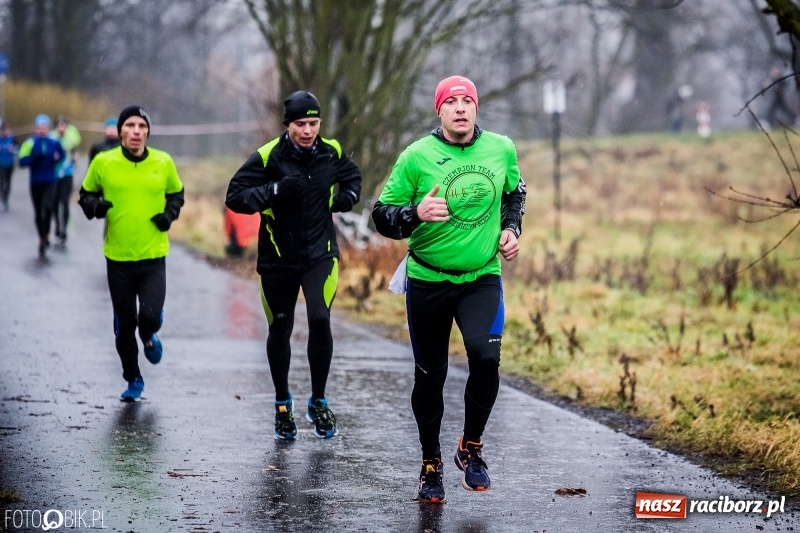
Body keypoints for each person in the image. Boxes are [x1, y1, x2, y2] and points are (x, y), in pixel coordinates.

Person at [371, 75, 526, 503]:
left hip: (481, 276)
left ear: (476, 108)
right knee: (430, 374)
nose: (460, 108)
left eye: (467, 101)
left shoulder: (501, 148)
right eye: (451, 102)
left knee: (486, 356)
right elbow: (381, 216)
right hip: (428, 281)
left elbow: (516, 192)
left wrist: (512, 229)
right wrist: (415, 212)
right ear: (439, 112)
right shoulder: (416, 156)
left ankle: (471, 447)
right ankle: (430, 464)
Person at [225, 90, 361, 440]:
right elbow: (235, 196)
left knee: (319, 318)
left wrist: (346, 197)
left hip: (320, 255)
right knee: (280, 330)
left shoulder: (331, 151)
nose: (307, 130)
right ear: (288, 125)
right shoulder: (268, 156)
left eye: (313, 123)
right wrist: (272, 191)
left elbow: (352, 177)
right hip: (277, 260)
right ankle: (283, 404)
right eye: (301, 124)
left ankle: (318, 400)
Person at [78, 105, 185, 402]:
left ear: (148, 132)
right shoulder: (103, 161)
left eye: (142, 126)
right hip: (118, 259)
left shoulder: (163, 162)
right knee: (124, 326)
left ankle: (150, 334)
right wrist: (95, 208)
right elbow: (86, 195)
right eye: (130, 126)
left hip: (153, 257)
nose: (136, 131)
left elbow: (177, 193)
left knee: (148, 317)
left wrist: (169, 215)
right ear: (121, 130)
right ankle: (133, 378)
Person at [18, 114, 66, 257]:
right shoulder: (29, 143)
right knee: (38, 212)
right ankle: (42, 237)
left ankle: (46, 234)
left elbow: (62, 155)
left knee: (47, 208)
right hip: (35, 182)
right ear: (35, 129)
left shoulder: (54, 142)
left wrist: (56, 161)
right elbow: (21, 162)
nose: (42, 130)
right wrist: (32, 158)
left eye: (44, 127)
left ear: (48, 128)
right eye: (39, 128)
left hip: (50, 181)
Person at [49, 116, 82, 242]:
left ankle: (64, 229)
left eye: (64, 125)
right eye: (59, 125)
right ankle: (57, 224)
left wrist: (75, 157)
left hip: (67, 173)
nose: (61, 128)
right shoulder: (51, 137)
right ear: (56, 126)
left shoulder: (72, 136)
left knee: (65, 202)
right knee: (55, 202)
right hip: (54, 174)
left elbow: (75, 150)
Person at [0, 120, 19, 211]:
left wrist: (14, 149)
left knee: (7, 181)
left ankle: (5, 197)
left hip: (10, 164)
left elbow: (18, 149)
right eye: (2, 131)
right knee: (2, 180)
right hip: (1, 164)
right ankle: (2, 195)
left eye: (5, 130)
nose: (4, 132)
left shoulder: (13, 139)